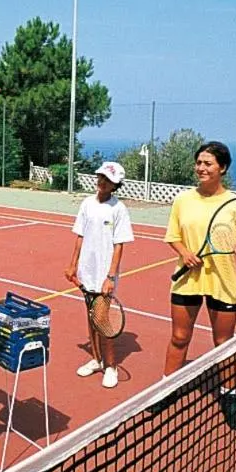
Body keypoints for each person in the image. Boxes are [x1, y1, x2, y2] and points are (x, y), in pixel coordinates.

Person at [163, 141, 236, 431]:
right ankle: (166, 388)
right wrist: (184, 253)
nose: (201, 168)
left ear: (222, 168)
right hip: (187, 280)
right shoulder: (183, 200)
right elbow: (173, 236)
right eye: (199, 163)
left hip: (223, 282)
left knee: (223, 343)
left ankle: (229, 395)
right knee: (179, 337)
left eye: (208, 164)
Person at [64, 161, 134, 389]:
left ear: (115, 185)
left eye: (108, 180)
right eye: (101, 177)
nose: (102, 182)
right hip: (86, 272)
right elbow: (80, 236)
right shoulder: (87, 204)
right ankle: (96, 359)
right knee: (91, 318)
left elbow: (119, 245)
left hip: (105, 275)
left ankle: (111, 366)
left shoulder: (118, 209)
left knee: (102, 321)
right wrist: (72, 265)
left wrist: (110, 277)